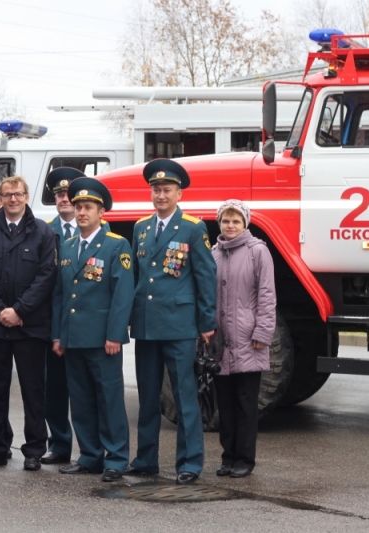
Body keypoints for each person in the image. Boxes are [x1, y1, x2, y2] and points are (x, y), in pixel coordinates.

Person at [128, 158, 217, 485]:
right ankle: (146, 460)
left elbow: (205, 276)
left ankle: (190, 463)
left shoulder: (193, 227)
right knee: (148, 397)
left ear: (179, 194)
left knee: (184, 396)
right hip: (147, 324)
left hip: (179, 324)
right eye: (156, 190)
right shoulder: (141, 227)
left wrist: (206, 322)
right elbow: (137, 277)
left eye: (167, 190)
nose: (161, 195)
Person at [0, 175, 57, 471]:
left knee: (34, 392)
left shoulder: (43, 232)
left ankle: (34, 450)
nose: (13, 199)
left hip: (30, 325)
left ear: (26, 196)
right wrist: (0, 311)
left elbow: (46, 276)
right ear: (0, 199)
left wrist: (19, 310)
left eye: (18, 194)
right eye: (7, 195)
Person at [51, 177, 134, 482]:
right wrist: (58, 334)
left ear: (101, 212)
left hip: (102, 339)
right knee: (81, 400)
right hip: (73, 337)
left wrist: (115, 335)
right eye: (78, 207)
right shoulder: (68, 246)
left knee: (109, 400)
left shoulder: (116, 245)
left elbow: (122, 294)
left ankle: (116, 459)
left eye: (88, 207)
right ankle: (89, 456)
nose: (82, 212)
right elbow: (60, 294)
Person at [212, 199, 275, 478]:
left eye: (236, 221)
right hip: (221, 342)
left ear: (245, 223)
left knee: (245, 403)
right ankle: (228, 456)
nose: (230, 225)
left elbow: (267, 294)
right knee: (224, 404)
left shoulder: (258, 251)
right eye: (226, 221)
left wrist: (263, 331)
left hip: (249, 339)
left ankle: (245, 459)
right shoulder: (214, 253)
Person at [40, 166, 81, 465]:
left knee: (86, 391)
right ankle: (59, 444)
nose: (64, 199)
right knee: (54, 390)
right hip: (52, 322)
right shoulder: (43, 231)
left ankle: (92, 448)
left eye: (68, 194)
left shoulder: (101, 228)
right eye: (58, 194)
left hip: (85, 324)